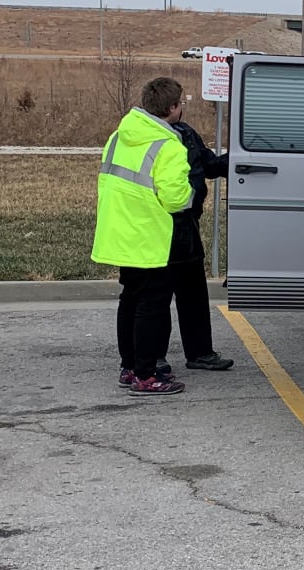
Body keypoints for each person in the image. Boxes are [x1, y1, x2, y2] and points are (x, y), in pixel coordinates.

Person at [93, 77, 194, 396]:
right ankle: (146, 374)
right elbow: (176, 198)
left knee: (131, 299)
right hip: (149, 236)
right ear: (172, 108)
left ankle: (129, 366)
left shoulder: (119, 135)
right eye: (181, 103)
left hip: (118, 232)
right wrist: (191, 192)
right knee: (152, 306)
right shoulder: (169, 146)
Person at [165, 113, 234, 373]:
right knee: (156, 297)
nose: (182, 106)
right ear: (172, 106)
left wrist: (243, 157)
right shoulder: (154, 137)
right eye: (180, 102)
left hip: (187, 224)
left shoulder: (187, 132)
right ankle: (154, 357)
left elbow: (210, 166)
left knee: (193, 291)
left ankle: (200, 353)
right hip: (157, 226)